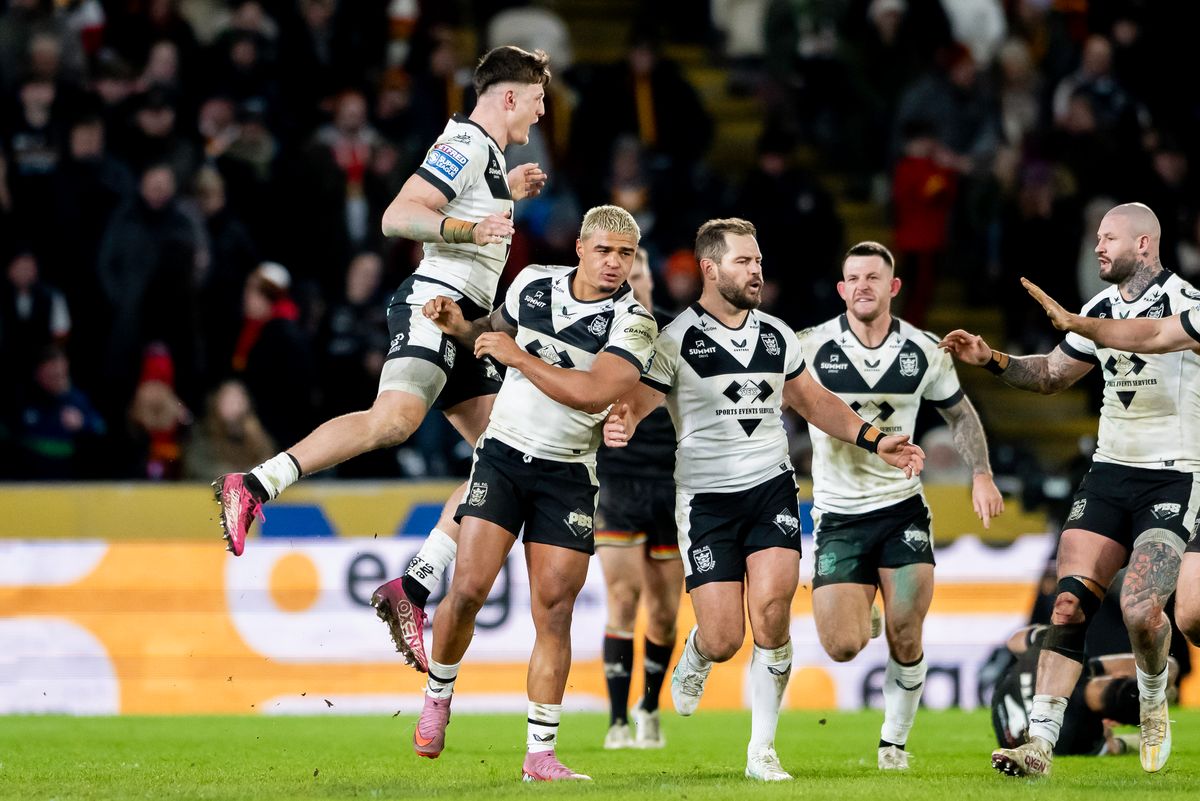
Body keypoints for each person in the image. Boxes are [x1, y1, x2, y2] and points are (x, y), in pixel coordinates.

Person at [212, 46, 551, 674]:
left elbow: (465, 204)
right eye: (535, 100)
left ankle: (414, 586)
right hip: (433, 305)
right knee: (393, 420)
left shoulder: (490, 158)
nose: (538, 113)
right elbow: (399, 216)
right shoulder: (469, 143)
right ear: (509, 97)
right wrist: (467, 233)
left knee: (505, 458)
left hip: (465, 320)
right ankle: (255, 484)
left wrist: (508, 193)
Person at [604, 218, 925, 781]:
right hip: (705, 501)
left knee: (773, 611)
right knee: (727, 636)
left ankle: (762, 750)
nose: (757, 271)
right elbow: (641, 398)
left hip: (771, 488)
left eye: (758, 261)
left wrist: (876, 441)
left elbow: (814, 402)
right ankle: (700, 654)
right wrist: (625, 417)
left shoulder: (777, 334)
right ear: (710, 268)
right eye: (743, 262)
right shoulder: (675, 337)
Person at [939, 202, 1195, 776]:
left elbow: (1153, 335)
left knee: (1140, 609)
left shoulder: (1191, 305)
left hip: (1176, 473)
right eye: (1096, 238)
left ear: (1146, 245)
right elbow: (1054, 375)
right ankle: (1039, 744)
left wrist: (1081, 324)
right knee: (1068, 601)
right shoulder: (1101, 308)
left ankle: (1152, 697)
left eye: (1108, 238)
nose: (1098, 247)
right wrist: (994, 360)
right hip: (1109, 473)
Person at [411, 205, 658, 782]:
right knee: (469, 588)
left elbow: (595, 392)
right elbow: (490, 337)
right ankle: (439, 693)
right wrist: (459, 326)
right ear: (580, 248)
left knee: (555, 610)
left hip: (568, 473)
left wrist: (517, 355)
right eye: (604, 250)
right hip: (502, 456)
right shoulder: (531, 283)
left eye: (625, 254)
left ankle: (540, 754)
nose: (615, 263)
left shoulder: (635, 323)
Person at [799, 241, 1004, 770]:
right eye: (853, 278)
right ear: (842, 289)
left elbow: (960, 416)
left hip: (901, 509)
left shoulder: (924, 349)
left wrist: (981, 474)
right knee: (843, 646)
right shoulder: (809, 347)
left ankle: (893, 743)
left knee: (907, 630)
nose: (862, 286)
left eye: (874, 277)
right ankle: (860, 600)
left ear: (893, 287)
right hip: (839, 514)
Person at [594, 249, 682, 750]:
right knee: (623, 599)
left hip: (672, 484)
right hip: (617, 481)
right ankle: (617, 721)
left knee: (666, 612)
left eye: (639, 269)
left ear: (651, 278)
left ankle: (648, 708)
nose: (629, 277)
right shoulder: (598, 336)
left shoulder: (675, 336)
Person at [991, 624, 1180, 758]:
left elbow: (1013, 640)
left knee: (1166, 670)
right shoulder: (1087, 735)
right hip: (1011, 740)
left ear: (1119, 676)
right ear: (1112, 720)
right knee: (1167, 672)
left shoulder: (1058, 654)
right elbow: (1113, 747)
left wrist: (1042, 633)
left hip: (1002, 696)